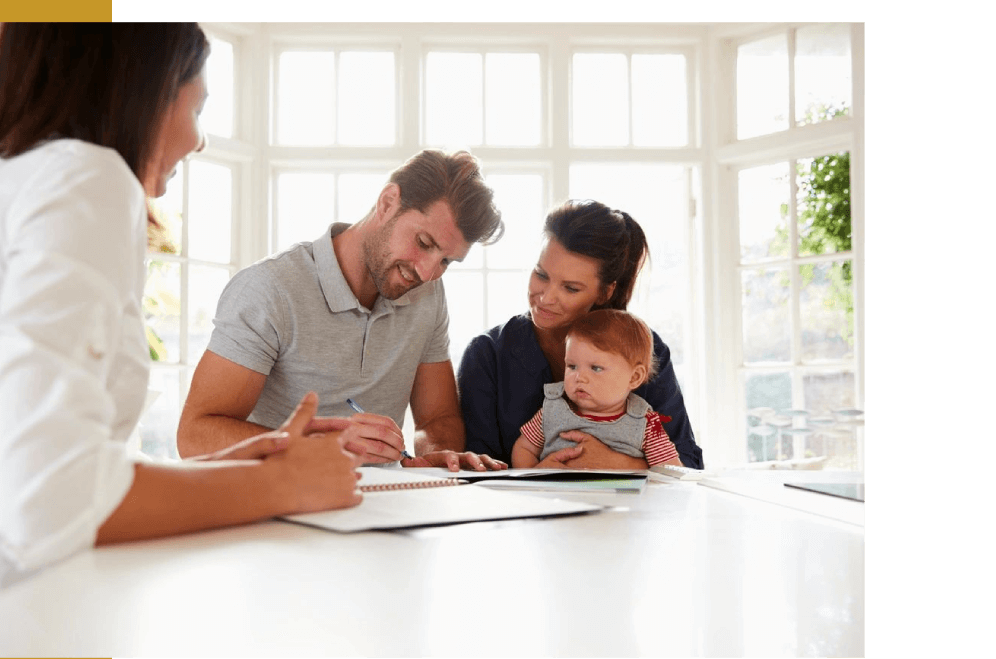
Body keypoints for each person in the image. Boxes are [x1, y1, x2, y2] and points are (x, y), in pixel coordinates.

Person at [0, 23, 361, 641]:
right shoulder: (87, 177)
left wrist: (230, 465)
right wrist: (279, 484)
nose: (200, 141)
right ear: (144, 88)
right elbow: (51, 503)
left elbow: (28, 461)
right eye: (197, 107)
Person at [177, 149, 509, 473]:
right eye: (423, 243)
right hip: (275, 505)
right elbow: (194, 435)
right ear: (387, 202)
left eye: (446, 261)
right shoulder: (269, 288)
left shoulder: (428, 295)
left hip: (379, 508)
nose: (426, 273)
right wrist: (318, 446)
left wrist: (434, 455)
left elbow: (437, 419)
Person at [458, 199, 704, 469]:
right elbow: (477, 471)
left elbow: (686, 467)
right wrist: (536, 477)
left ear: (605, 292)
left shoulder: (645, 350)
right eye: (541, 274)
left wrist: (618, 463)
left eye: (571, 288)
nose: (546, 298)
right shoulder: (487, 354)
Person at [511, 310, 684, 469]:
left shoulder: (646, 423)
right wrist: (534, 474)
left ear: (634, 377)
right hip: (557, 499)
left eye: (596, 368)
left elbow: (670, 473)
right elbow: (524, 448)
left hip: (621, 502)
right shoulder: (552, 410)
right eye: (572, 366)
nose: (580, 377)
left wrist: (620, 464)